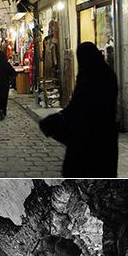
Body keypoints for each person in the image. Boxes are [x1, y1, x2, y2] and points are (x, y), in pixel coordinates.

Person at [39, 41, 118, 178]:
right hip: (106, 136)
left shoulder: (88, 78)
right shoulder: (107, 73)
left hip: (88, 138)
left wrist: (56, 120)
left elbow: (79, 107)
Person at [0, 50, 16, 120]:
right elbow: (13, 73)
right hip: (5, 84)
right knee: (4, 98)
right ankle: (3, 111)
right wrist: (9, 78)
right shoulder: (6, 64)